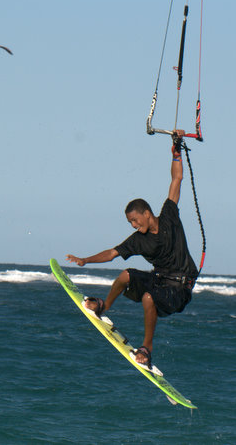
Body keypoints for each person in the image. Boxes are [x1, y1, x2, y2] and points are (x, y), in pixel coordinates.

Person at [66, 131, 198, 370]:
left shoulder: (169, 216)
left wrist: (176, 150)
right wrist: (85, 260)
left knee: (149, 297)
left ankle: (146, 348)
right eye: (130, 223)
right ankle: (105, 305)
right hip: (161, 281)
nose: (134, 226)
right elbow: (113, 253)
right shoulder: (139, 240)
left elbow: (176, 180)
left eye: (135, 221)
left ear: (147, 214)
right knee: (126, 275)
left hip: (180, 287)